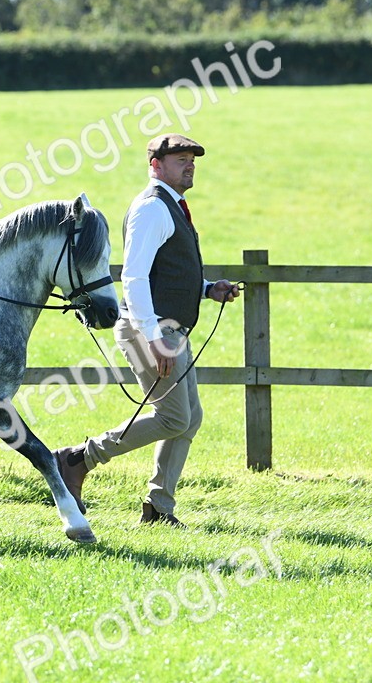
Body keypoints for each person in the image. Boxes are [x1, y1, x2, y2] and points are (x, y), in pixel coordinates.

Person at [53, 133, 240, 527]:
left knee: (188, 420)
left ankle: (158, 507)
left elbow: (163, 273)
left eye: (192, 159)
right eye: (180, 159)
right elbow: (134, 278)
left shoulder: (171, 207)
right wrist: (153, 338)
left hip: (166, 330)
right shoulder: (153, 209)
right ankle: (78, 458)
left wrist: (207, 289)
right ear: (155, 165)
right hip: (150, 331)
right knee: (173, 418)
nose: (189, 165)